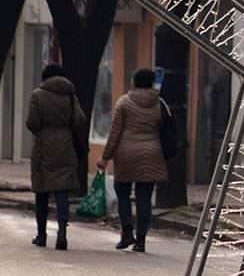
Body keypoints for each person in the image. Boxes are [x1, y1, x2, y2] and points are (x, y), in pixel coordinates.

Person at [97, 69, 168, 253]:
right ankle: (141, 240)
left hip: (126, 153)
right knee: (144, 198)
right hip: (151, 153)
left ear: (134, 82)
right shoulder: (159, 103)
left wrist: (105, 157)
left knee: (122, 193)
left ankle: (127, 232)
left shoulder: (124, 102)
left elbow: (115, 134)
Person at [26, 64, 87, 250]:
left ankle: (41, 234)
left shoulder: (38, 95)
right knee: (62, 190)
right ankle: (62, 232)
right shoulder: (70, 95)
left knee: (42, 189)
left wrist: (43, 131)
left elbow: (31, 122)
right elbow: (80, 119)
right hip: (66, 145)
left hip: (44, 145)